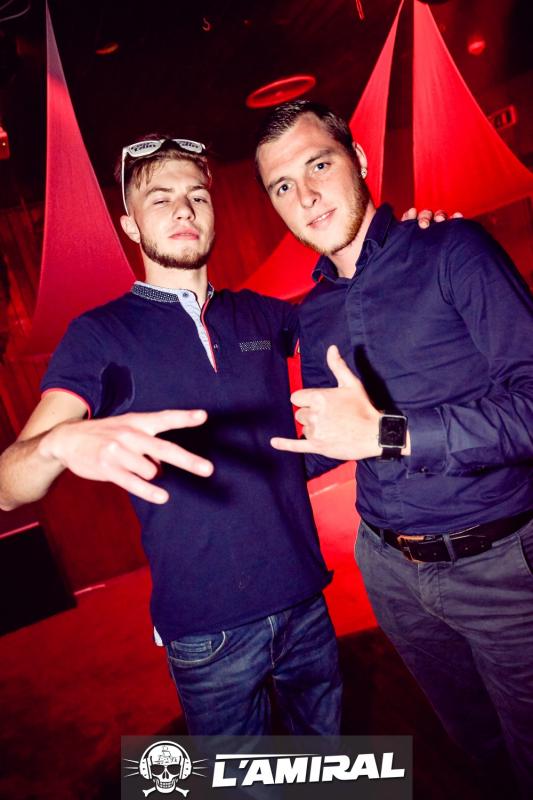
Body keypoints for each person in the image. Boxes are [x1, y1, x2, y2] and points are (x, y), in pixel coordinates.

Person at [0, 137, 342, 736]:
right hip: (207, 632)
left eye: (197, 196)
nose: (184, 209)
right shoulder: (100, 335)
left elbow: (346, 305)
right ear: (131, 225)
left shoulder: (260, 314)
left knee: (329, 764)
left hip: (305, 601)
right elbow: (7, 488)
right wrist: (57, 444)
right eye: (161, 199)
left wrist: (409, 238)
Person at [255, 100, 533, 794]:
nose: (305, 196)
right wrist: (231, 464)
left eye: (318, 165)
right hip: (388, 571)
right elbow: (335, 437)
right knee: (473, 743)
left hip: (502, 568)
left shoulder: (452, 249)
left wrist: (388, 432)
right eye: (283, 186)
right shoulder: (314, 310)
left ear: (358, 161)